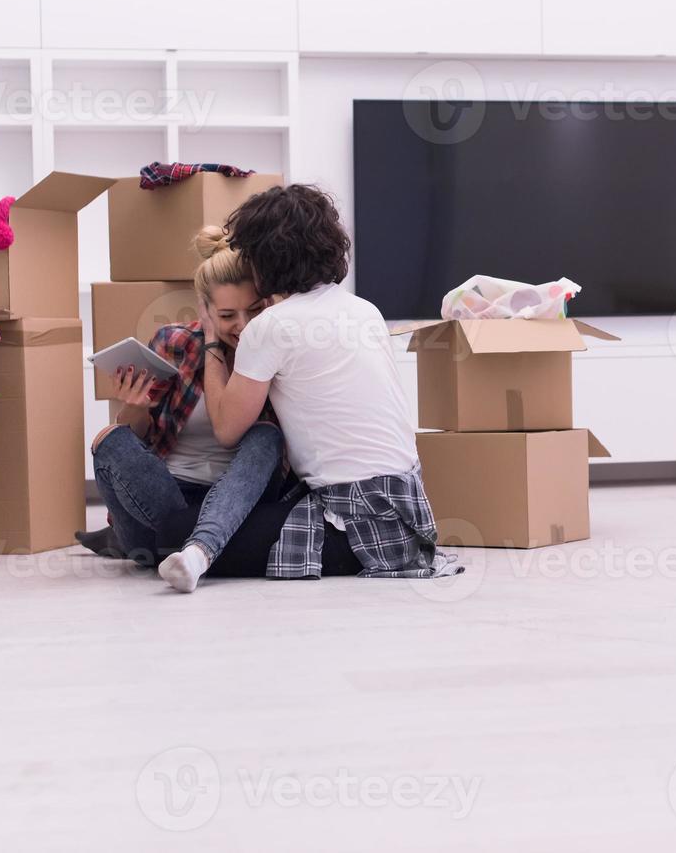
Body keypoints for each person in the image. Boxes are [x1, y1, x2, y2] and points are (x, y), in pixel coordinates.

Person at [195, 184, 461, 580]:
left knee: (171, 531)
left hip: (353, 527)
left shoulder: (270, 327)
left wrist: (212, 340)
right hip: (408, 515)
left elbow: (227, 429)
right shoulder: (365, 309)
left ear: (262, 260)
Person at [79, 226, 285, 589]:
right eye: (227, 316)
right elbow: (139, 439)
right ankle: (171, 545)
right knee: (111, 440)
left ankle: (193, 547)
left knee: (266, 438)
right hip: (163, 499)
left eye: (253, 310)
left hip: (238, 503)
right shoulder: (174, 342)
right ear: (204, 309)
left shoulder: (272, 348)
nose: (243, 325)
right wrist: (134, 408)